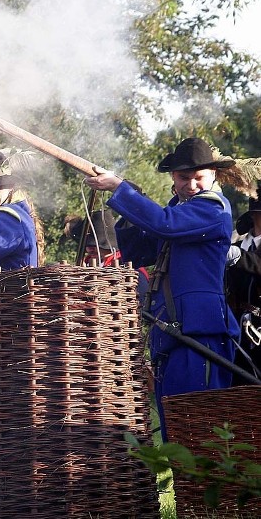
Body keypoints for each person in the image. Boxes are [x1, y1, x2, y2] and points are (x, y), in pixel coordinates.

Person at [84, 137, 240, 440]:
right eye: (185, 177)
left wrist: (120, 189)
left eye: (199, 177)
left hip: (201, 334)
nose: (192, 184)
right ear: (173, 177)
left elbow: (163, 224)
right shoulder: (180, 211)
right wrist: (129, 202)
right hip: (172, 334)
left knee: (199, 431)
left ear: (213, 176)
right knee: (176, 433)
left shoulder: (213, 208)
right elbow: (138, 249)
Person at [63, 209, 150, 302]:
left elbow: (140, 300)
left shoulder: (130, 267)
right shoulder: (84, 265)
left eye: (93, 245)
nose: (89, 249)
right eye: (87, 245)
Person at [225, 188, 261, 386]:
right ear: (255, 216)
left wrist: (238, 257)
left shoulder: (238, 253)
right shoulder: (238, 246)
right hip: (235, 328)